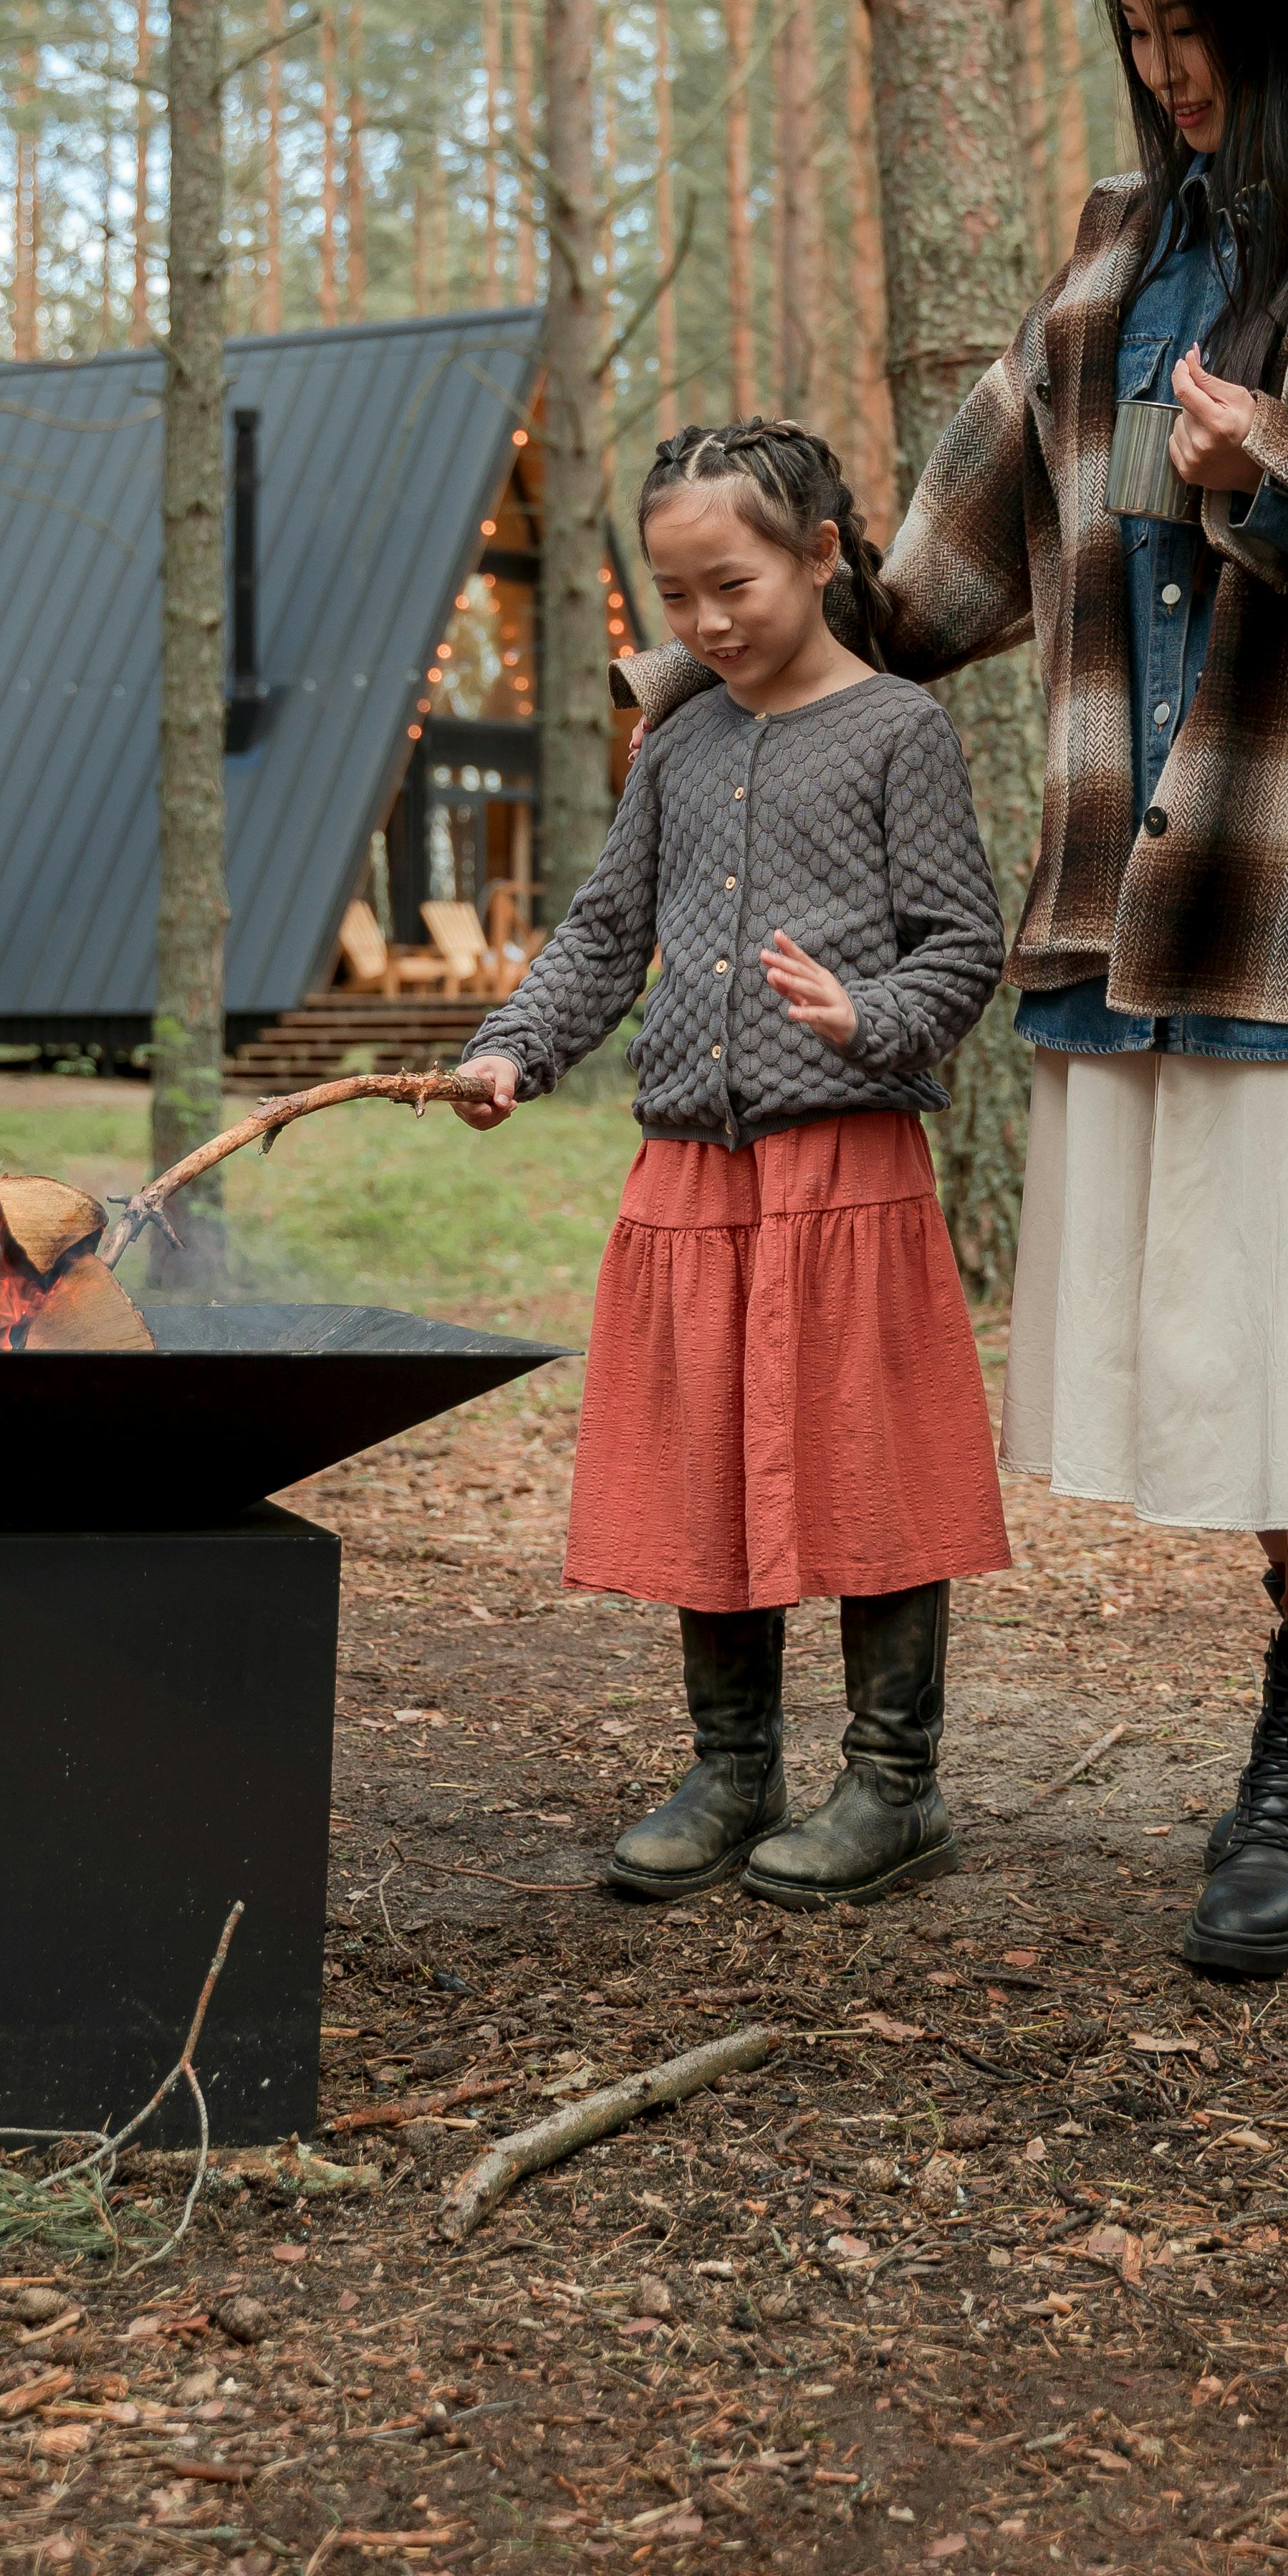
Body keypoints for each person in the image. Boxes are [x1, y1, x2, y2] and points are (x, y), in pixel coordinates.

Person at [620, 0, 1288, 1981]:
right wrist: (703, 657)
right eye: (1135, 34)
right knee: (1217, 1346)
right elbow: (951, 552)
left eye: (1193, 33)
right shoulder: (1118, 257)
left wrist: (1271, 485)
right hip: (1129, 889)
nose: (1164, 72)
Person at [453, 419, 1009, 1910]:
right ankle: (732, 1765)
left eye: (733, 586)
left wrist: (867, 1015)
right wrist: (517, 1044)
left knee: (865, 1461)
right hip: (693, 1176)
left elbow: (964, 944)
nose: (701, 624)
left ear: (821, 555)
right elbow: (601, 928)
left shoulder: (898, 729)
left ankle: (895, 1783)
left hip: (847, 1165)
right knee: (707, 1459)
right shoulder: (678, 741)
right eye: (674, 595)